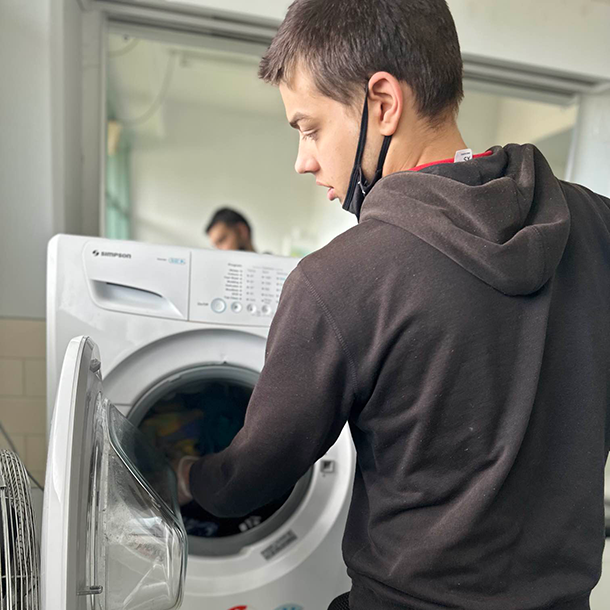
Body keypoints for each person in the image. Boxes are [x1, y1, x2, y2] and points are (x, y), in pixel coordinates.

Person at [177, 1, 610, 609]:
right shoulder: (595, 224)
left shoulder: (340, 280)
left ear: (382, 103)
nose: (303, 160)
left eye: (309, 128)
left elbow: (252, 479)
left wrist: (188, 473)